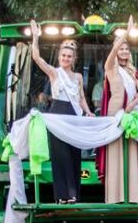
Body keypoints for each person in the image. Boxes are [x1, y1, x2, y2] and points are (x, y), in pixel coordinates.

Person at [29, 20, 94, 203]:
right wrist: (36, 37)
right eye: (63, 55)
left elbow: (80, 98)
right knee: (61, 155)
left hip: (73, 115)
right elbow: (36, 57)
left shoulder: (79, 77)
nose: (66, 58)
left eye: (69, 56)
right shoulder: (54, 73)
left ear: (74, 59)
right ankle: (62, 196)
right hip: (58, 112)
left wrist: (88, 112)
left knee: (74, 154)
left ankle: (74, 194)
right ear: (59, 57)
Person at [97, 19, 138, 204]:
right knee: (116, 154)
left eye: (126, 49)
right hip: (116, 115)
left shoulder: (133, 71)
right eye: (120, 48)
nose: (123, 51)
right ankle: (115, 196)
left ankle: (134, 196)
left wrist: (133, 103)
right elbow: (112, 53)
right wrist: (126, 34)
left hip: (132, 115)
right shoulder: (111, 68)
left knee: (132, 153)